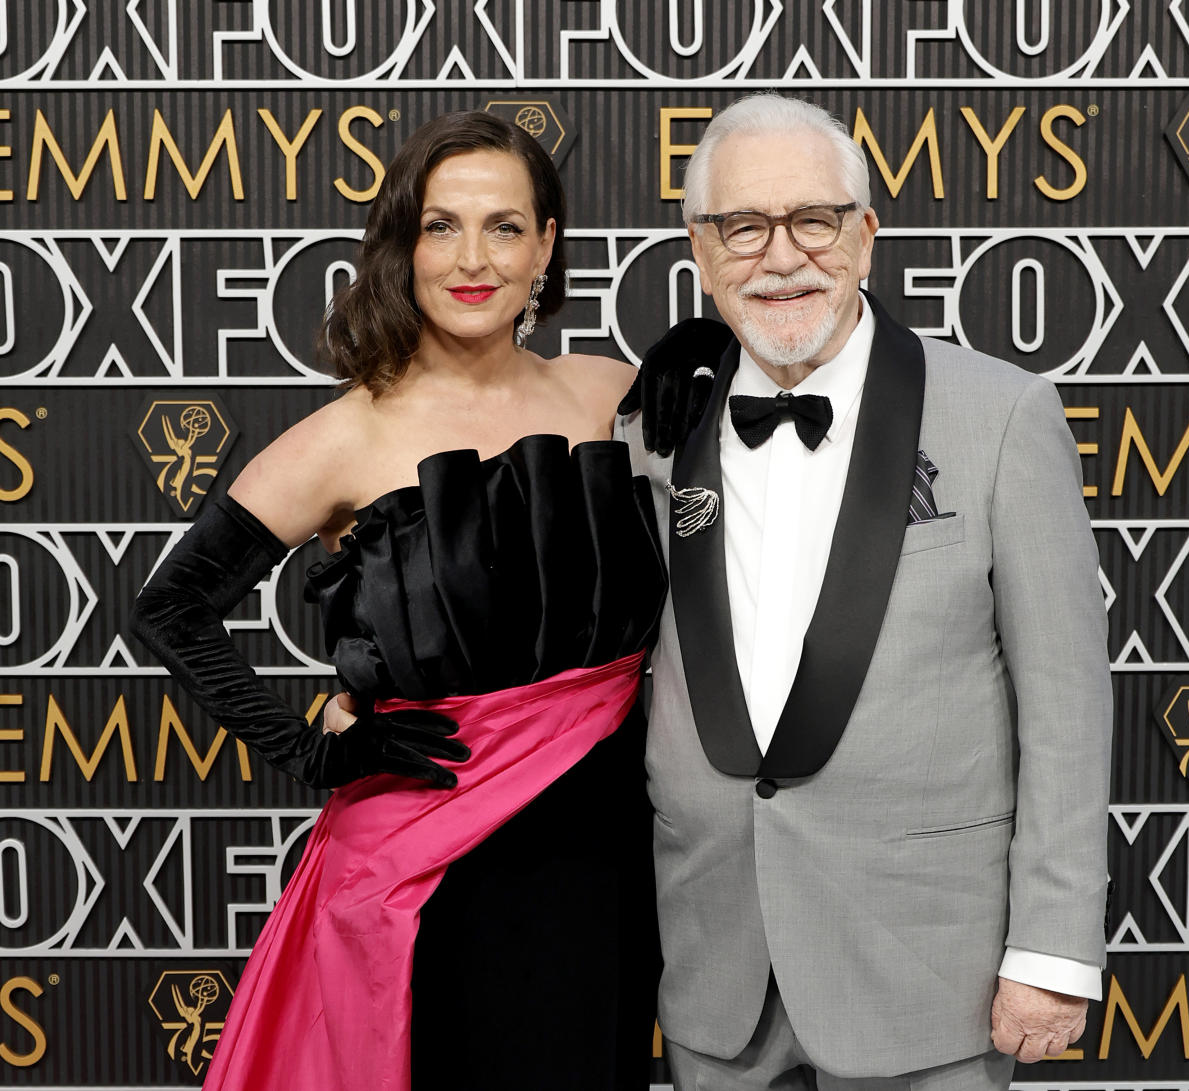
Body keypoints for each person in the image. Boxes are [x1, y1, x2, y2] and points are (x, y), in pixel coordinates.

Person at [131, 110, 666, 1090]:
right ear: (401, 244)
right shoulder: (346, 436)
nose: (474, 258)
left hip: (605, 858)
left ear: (547, 244)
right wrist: (315, 748)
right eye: (440, 225)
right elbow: (172, 606)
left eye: (504, 225)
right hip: (429, 859)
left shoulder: (611, 395)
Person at [618, 93, 1112, 1090]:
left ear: (867, 236)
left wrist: (1053, 949)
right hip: (717, 962)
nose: (782, 254)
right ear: (701, 251)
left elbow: (1066, 696)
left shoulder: (1002, 413)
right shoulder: (653, 427)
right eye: (742, 226)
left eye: (814, 219)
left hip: (929, 972)